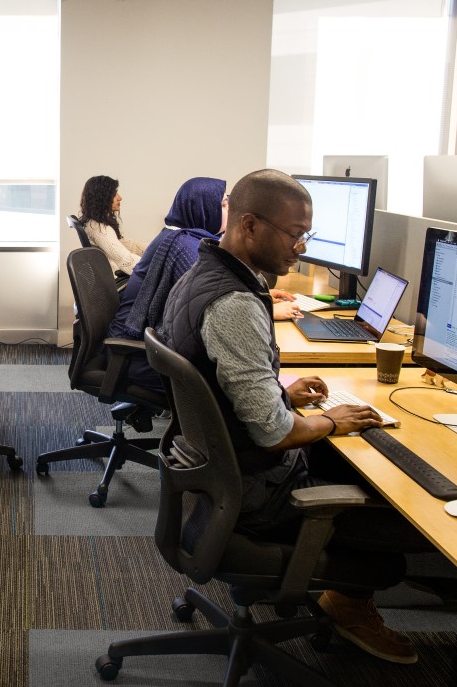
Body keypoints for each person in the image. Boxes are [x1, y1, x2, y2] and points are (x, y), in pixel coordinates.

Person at [157, 169, 428, 666]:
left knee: (358, 463)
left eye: (307, 234)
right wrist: (332, 420)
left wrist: (279, 390)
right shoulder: (235, 303)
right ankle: (347, 603)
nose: (301, 246)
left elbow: (219, 384)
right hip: (261, 495)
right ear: (249, 226)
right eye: (295, 233)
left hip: (222, 477)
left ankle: (344, 601)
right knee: (410, 524)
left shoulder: (202, 274)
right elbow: (273, 432)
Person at [110, 177, 302, 392]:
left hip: (147, 347)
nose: (229, 209)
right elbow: (210, 301)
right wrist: (269, 310)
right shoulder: (187, 247)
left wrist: (261, 294)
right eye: (222, 204)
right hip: (141, 358)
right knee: (238, 379)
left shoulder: (179, 236)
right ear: (202, 209)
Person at [78, 175, 145, 276]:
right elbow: (126, 260)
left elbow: (124, 244)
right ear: (102, 197)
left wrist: (155, 249)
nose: (120, 198)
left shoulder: (93, 223)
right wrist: (156, 268)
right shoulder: (99, 229)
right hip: (117, 281)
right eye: (114, 194)